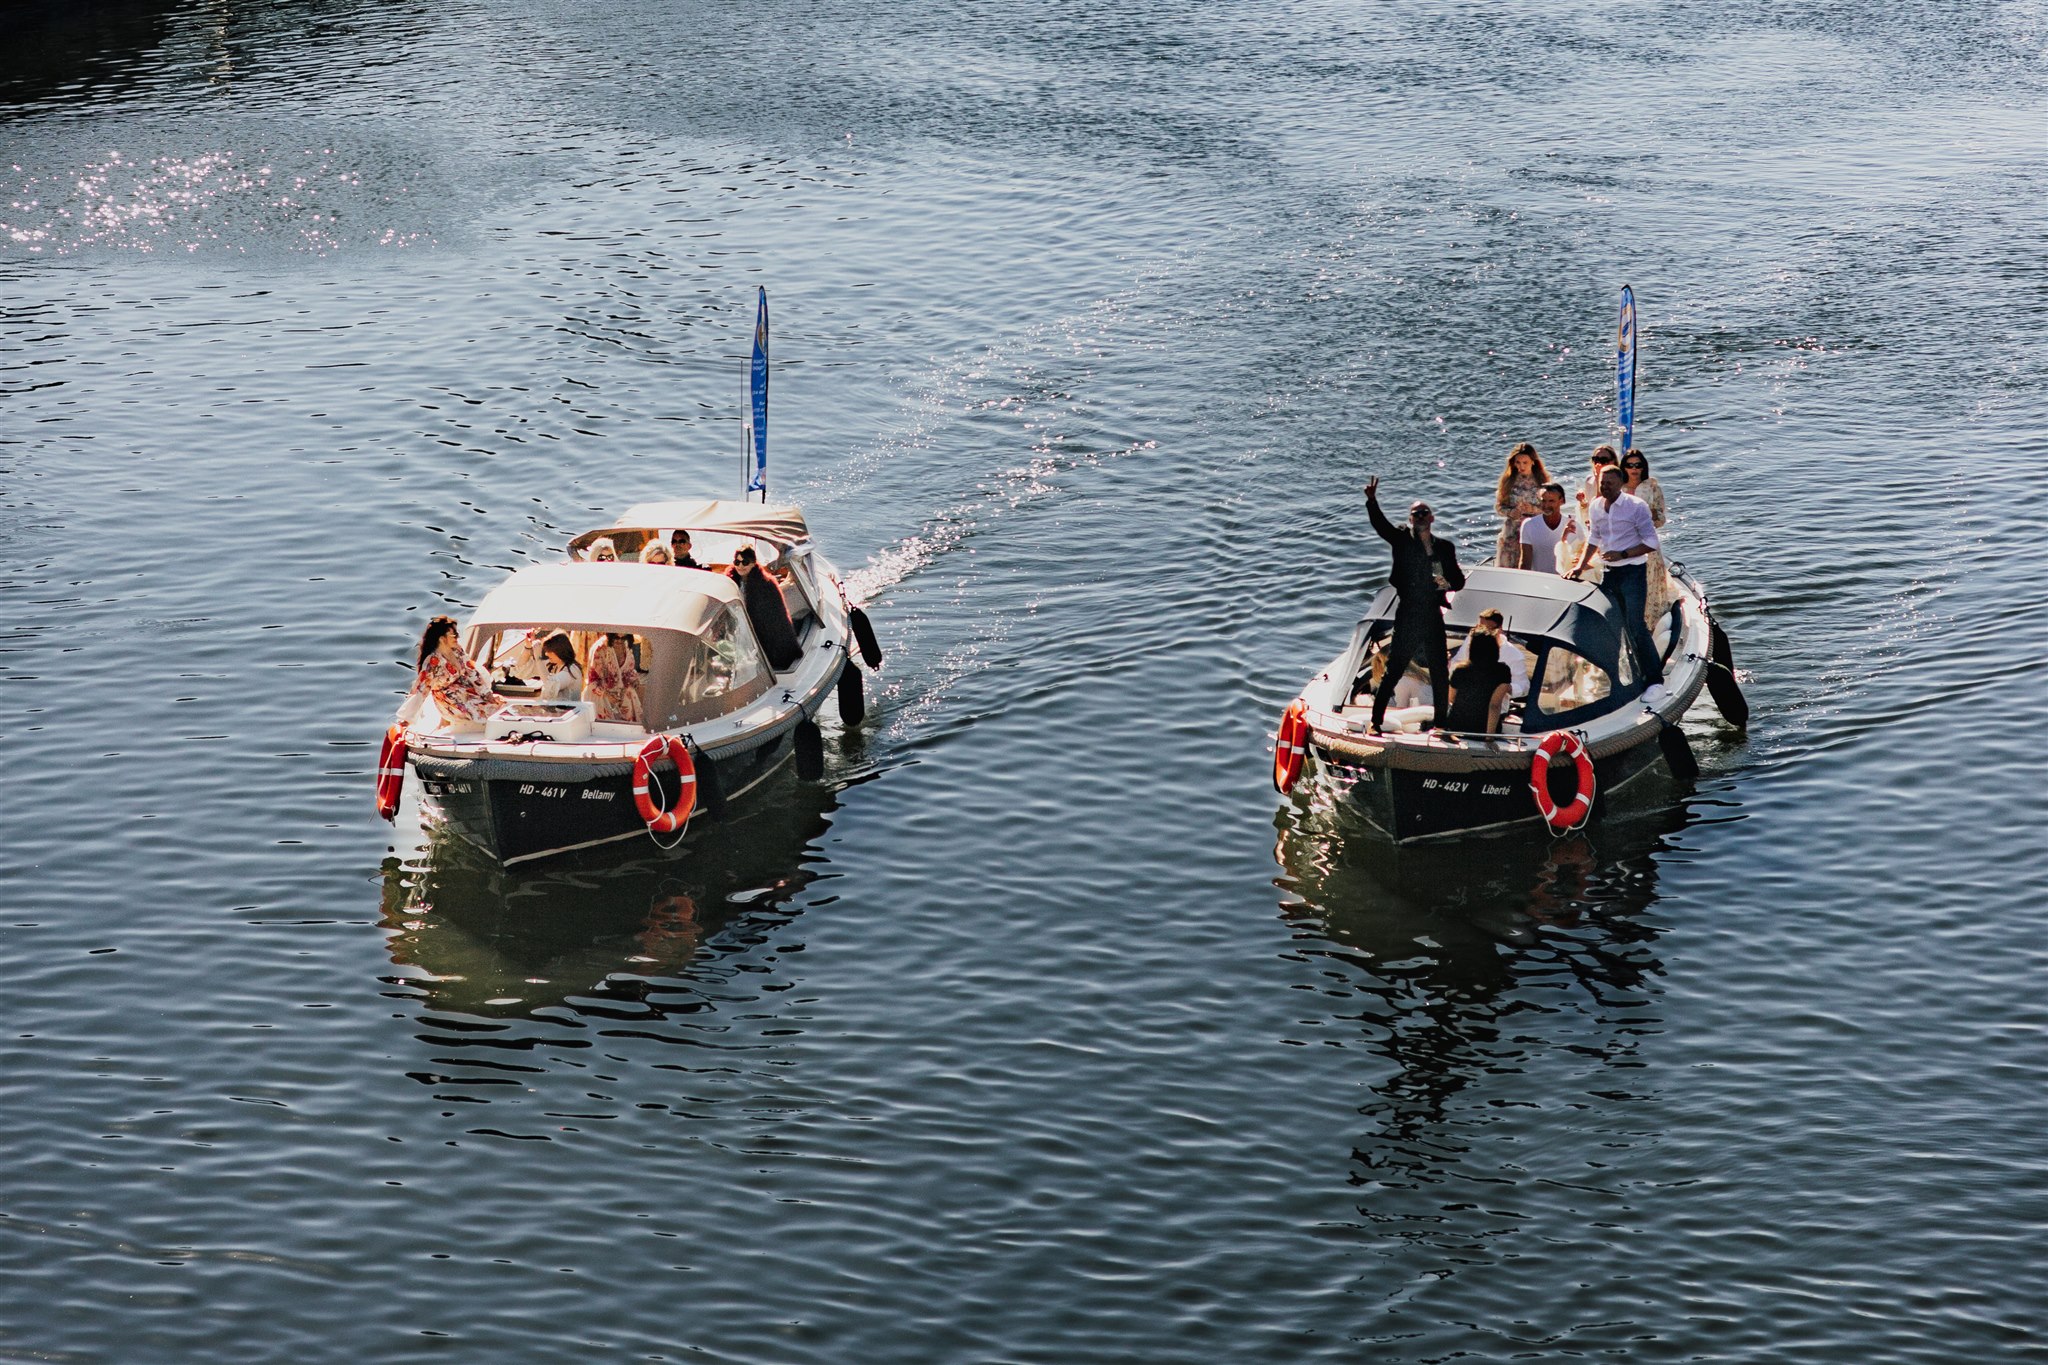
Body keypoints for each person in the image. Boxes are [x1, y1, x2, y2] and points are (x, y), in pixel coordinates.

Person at [1364, 476, 1465, 733]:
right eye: (1415, 514)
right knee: (1394, 669)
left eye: (1424, 513)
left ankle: (1442, 726)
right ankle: (1376, 722)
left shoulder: (1444, 547)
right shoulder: (1402, 540)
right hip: (1408, 613)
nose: (1420, 517)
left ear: (1431, 518)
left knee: (1440, 672)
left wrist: (1445, 583)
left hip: (1432, 614)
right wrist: (1372, 501)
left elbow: (1458, 581)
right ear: (1410, 520)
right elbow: (1381, 527)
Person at [1568, 464, 1664, 693]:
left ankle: (1654, 680)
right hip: (1610, 573)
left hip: (1632, 571)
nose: (1605, 488)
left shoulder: (1636, 507)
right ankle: (1619, 678)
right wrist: (1580, 566)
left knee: (1635, 625)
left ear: (1620, 484)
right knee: (1609, 623)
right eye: (1602, 483)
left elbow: (1652, 543)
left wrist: (1623, 554)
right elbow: (1594, 537)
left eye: (1610, 483)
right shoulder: (1596, 506)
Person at [411, 615, 496, 725]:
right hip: (449, 701)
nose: (457, 637)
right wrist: (407, 719)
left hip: (466, 691)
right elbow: (420, 690)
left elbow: (471, 670)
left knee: (495, 706)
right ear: (442, 639)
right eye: (454, 635)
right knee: (481, 715)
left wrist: (486, 693)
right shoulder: (433, 662)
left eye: (457, 633)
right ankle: (446, 720)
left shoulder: (457, 650)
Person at [1621, 448, 1672, 624]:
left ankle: (1650, 623)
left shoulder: (1652, 487)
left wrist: (1652, 515)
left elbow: (1661, 518)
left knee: (1650, 582)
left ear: (1644, 467)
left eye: (1638, 465)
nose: (1634, 469)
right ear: (1624, 467)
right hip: (1624, 542)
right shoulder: (1619, 489)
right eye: (1630, 465)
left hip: (1647, 542)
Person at [729, 545, 801, 669]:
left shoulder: (766, 585)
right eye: (737, 562)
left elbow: (776, 616)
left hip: (758, 629)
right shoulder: (729, 581)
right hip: (737, 625)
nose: (740, 566)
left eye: (745, 562)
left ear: (753, 563)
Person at [1444, 628, 1513, 734]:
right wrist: (1489, 736)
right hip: (1484, 728)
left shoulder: (1460, 670)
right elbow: (1495, 705)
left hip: (1456, 726)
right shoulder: (1502, 671)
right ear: (1495, 649)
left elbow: (1451, 698)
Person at [1452, 606, 1529, 698]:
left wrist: (1506, 688)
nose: (1484, 632)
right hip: (1465, 703)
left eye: (1489, 629)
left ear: (1500, 628)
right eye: (1480, 628)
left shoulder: (1514, 655)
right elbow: (1455, 664)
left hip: (1495, 708)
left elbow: (1524, 687)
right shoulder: (1471, 641)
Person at [1493, 442, 1549, 567]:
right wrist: (1511, 512)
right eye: (1518, 462)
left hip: (1533, 530)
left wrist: (1534, 509)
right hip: (1512, 531)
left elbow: (1550, 509)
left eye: (1525, 462)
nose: (1521, 466)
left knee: (1530, 568)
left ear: (1533, 462)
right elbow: (1499, 506)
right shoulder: (1508, 480)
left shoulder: (1542, 481)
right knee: (1508, 569)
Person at [1517, 482, 1580, 576]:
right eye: (1543, 501)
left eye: (1551, 501)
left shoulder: (1573, 524)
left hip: (1566, 581)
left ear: (1561, 501)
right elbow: (1525, 562)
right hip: (1540, 580)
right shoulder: (1529, 525)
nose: (1546, 505)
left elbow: (1582, 557)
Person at [582, 632, 645, 724]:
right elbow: (593, 680)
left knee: (630, 695)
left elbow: (629, 670)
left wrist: (633, 681)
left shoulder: (626, 646)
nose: (620, 640)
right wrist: (607, 694)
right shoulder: (599, 648)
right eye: (616, 637)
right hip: (602, 693)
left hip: (621, 694)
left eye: (623, 638)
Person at [537, 632, 583, 703]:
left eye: (550, 651)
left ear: (560, 651)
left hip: (569, 712)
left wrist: (538, 658)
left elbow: (550, 685)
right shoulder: (556, 665)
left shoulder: (571, 670)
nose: (546, 654)